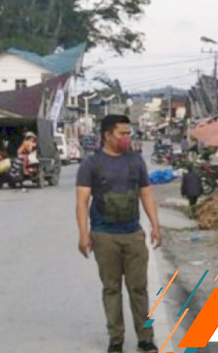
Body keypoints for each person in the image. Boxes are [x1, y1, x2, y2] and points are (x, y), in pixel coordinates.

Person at [76, 115, 162, 353]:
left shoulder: (135, 161)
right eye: (122, 134)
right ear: (107, 135)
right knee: (111, 289)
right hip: (104, 235)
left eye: (128, 134)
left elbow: (146, 193)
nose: (127, 138)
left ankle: (145, 338)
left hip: (133, 233)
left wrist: (155, 225)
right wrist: (84, 234)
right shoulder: (91, 164)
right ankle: (116, 339)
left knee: (139, 288)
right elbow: (82, 201)